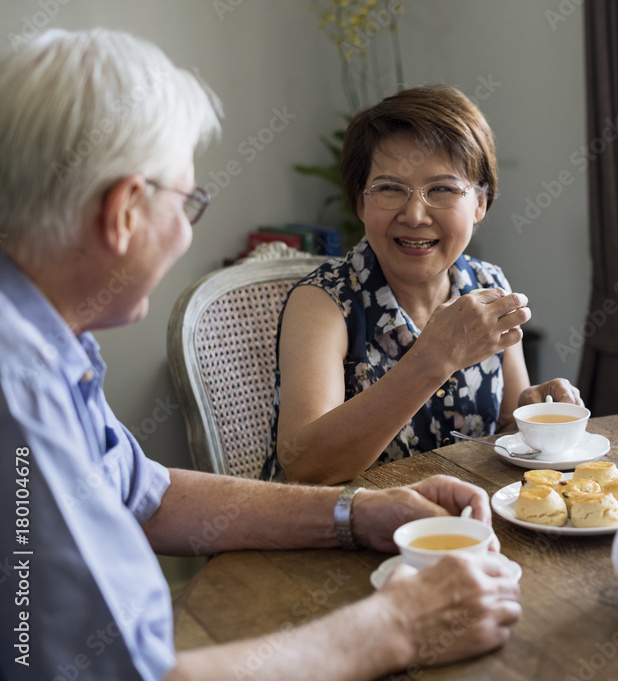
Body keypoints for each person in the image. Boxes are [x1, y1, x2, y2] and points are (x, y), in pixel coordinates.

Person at [0, 29, 519, 681]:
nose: (188, 232)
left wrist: (358, 512)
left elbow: (147, 493)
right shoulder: (17, 386)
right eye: (187, 202)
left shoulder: (47, 346)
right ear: (124, 211)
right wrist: (394, 625)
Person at [261, 84, 582, 485]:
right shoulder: (324, 302)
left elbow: (505, 425)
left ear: (480, 203)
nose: (414, 215)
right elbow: (307, 467)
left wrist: (534, 411)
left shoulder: (487, 284)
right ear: (360, 202)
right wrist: (434, 357)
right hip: (342, 532)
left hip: (463, 527)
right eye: (390, 189)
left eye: (442, 189)